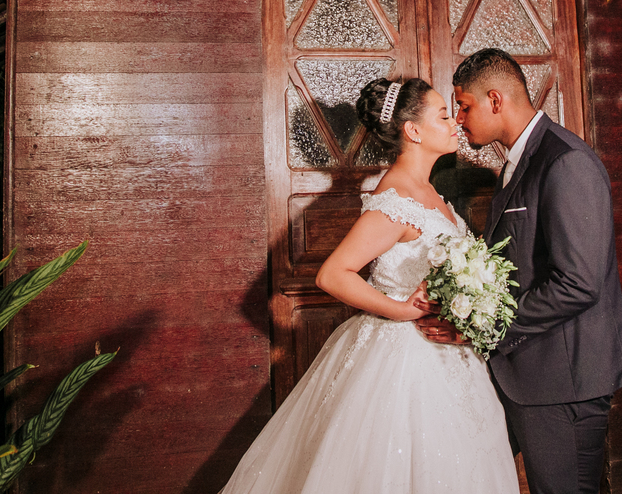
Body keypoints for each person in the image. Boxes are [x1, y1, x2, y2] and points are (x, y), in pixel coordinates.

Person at [218, 77, 520, 494]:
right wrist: (402, 310)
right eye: (443, 116)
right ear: (413, 131)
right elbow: (332, 274)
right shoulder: (394, 200)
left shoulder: (429, 192)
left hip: (452, 355)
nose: (454, 123)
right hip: (405, 361)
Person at [418, 48, 622, 494]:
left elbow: (578, 283)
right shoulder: (519, 162)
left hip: (565, 380)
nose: (459, 119)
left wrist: (484, 329)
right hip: (530, 375)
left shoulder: (566, 161)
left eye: (465, 106)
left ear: (495, 100)